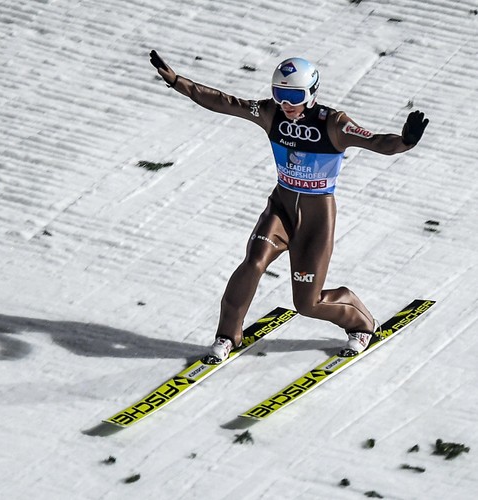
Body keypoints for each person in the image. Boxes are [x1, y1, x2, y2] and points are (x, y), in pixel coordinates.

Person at [149, 50, 429, 363]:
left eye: (293, 95)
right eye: (280, 93)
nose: (286, 103)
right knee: (253, 262)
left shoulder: (333, 123)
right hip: (281, 207)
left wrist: (405, 142)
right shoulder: (272, 113)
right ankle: (227, 336)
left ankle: (359, 320)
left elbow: (376, 142)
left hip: (316, 219)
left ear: (311, 93)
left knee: (307, 304)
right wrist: (178, 82)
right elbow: (226, 103)